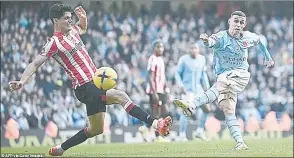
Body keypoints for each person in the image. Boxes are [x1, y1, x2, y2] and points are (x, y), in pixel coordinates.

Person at [8, 4, 172, 156]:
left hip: (94, 83)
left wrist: (83, 19)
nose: (70, 19)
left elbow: (83, 29)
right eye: (66, 18)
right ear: (55, 21)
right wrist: (23, 80)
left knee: (96, 129)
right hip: (84, 86)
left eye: (70, 17)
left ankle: (61, 149)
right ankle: (157, 124)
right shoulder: (53, 43)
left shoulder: (72, 31)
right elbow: (36, 63)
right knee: (121, 96)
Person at [173, 11, 274, 150]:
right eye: (236, 21)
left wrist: (267, 57)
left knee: (220, 84)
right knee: (228, 110)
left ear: (244, 25)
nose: (238, 24)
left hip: (241, 74)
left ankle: (192, 105)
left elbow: (259, 42)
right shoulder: (221, 36)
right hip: (224, 76)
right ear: (229, 21)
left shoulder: (248, 37)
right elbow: (211, 42)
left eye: (241, 22)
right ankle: (240, 143)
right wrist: (206, 40)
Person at [175, 43, 210, 141]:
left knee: (207, 109)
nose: (193, 50)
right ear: (188, 50)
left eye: (195, 48)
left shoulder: (202, 59)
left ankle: (199, 131)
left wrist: (207, 86)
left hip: (198, 90)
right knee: (187, 111)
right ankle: (182, 135)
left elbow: (203, 74)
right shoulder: (183, 60)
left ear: (198, 50)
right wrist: (181, 86)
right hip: (188, 90)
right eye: (191, 48)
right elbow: (177, 73)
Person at [139, 39, 171, 142]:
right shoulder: (152, 59)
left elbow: (162, 77)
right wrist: (154, 93)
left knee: (164, 111)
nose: (160, 49)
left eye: (161, 47)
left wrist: (166, 88)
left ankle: (146, 129)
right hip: (155, 91)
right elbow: (150, 77)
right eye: (158, 47)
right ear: (154, 48)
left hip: (161, 90)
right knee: (157, 113)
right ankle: (157, 137)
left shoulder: (161, 60)